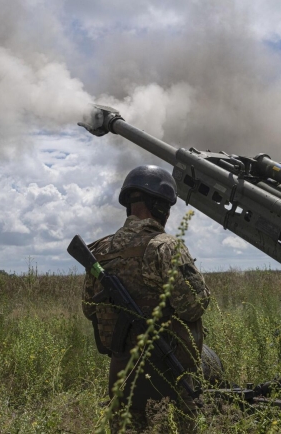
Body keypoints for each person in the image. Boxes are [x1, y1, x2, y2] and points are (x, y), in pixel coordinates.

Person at [81, 165, 210, 425]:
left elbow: (88, 309)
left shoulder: (100, 251)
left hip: (121, 376)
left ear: (129, 205)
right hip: (167, 372)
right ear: (160, 207)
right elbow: (193, 308)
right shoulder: (165, 247)